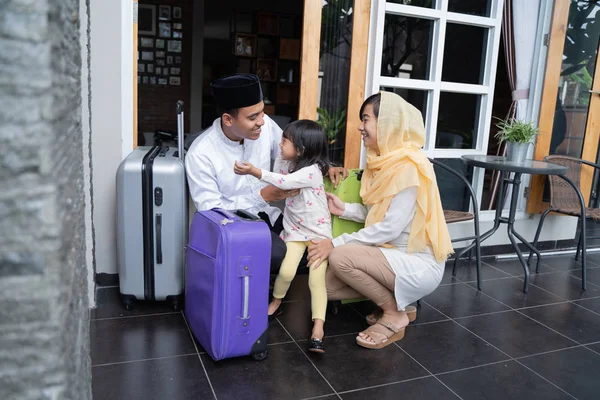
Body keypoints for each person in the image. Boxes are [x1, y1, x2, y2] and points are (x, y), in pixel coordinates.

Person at [307, 91, 453, 350]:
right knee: (326, 288)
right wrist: (345, 210)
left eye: (366, 119)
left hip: (417, 262)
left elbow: (389, 228)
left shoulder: (409, 166)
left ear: (387, 123)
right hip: (390, 255)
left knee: (341, 257)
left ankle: (393, 314)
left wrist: (334, 242)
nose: (360, 127)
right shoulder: (385, 162)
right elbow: (383, 214)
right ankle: (401, 306)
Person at [185, 74, 347, 281]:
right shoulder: (201, 154)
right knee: (281, 254)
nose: (262, 122)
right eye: (253, 117)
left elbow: (293, 153)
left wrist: (324, 167)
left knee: (313, 247)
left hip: (267, 214)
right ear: (228, 119)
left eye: (262, 112)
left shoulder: (265, 126)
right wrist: (262, 196)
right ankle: (249, 292)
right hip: (234, 227)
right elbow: (211, 213)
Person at [234, 120, 331, 353]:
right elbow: (280, 172)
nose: (280, 143)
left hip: (318, 234)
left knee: (316, 281)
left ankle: (319, 328)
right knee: (286, 271)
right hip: (295, 230)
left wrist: (254, 171)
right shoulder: (292, 163)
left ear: (301, 149)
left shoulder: (312, 171)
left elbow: (282, 182)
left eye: (285, 141)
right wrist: (282, 154)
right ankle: (276, 302)